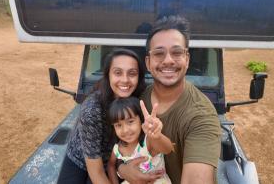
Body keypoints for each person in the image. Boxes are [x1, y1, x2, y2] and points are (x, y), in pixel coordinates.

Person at [117, 16, 221, 184]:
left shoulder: (202, 117)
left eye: (177, 52)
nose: (168, 60)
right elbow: (121, 144)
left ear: (187, 59)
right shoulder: (137, 97)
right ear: (148, 63)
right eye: (159, 53)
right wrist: (122, 169)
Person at [57, 48, 146, 184]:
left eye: (132, 74)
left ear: (139, 77)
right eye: (118, 73)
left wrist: (120, 166)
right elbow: (96, 172)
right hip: (82, 158)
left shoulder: (141, 99)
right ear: (108, 75)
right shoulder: (92, 110)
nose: (125, 80)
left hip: (118, 158)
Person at [107, 97, 173, 184]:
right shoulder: (117, 149)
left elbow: (168, 149)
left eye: (130, 121)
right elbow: (111, 165)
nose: (125, 130)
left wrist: (157, 136)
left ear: (141, 120)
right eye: (118, 125)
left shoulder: (148, 141)